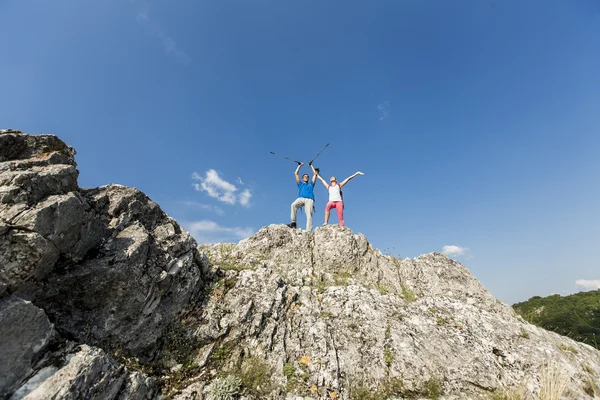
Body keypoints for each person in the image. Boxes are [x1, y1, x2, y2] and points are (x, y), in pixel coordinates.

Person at [287, 162, 318, 230]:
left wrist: (311, 165)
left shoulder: (311, 184)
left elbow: (315, 174)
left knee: (309, 214)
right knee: (293, 205)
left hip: (309, 199)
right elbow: (296, 174)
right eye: (305, 177)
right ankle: (293, 223)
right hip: (301, 198)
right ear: (303, 179)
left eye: (307, 177)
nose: (306, 177)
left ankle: (308, 230)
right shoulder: (300, 184)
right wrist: (299, 166)